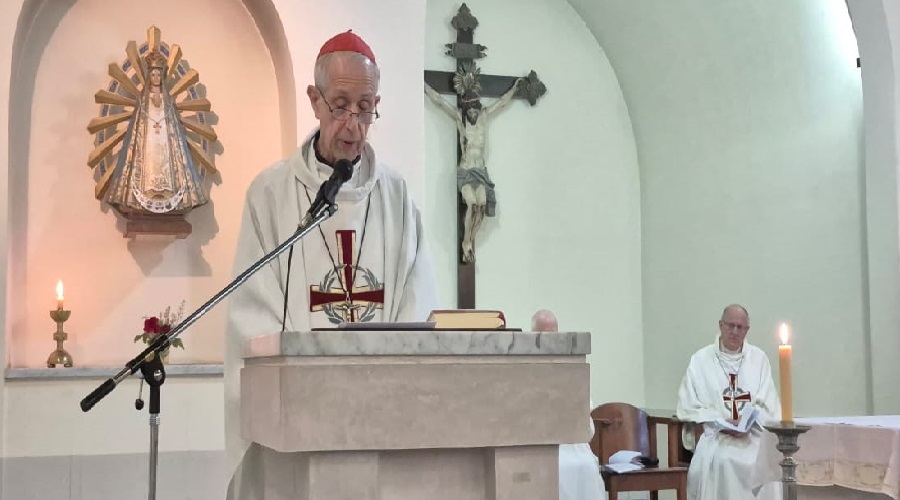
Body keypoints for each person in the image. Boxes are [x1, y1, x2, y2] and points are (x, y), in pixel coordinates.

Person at [224, 30, 439, 498]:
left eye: (366, 107)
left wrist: (388, 387)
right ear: (314, 101)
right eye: (340, 105)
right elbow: (252, 313)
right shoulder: (271, 194)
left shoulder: (396, 196)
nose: (353, 124)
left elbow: (416, 302)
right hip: (299, 425)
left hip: (380, 418)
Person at [676, 304, 783, 500]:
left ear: (747, 330)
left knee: (768, 464)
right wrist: (721, 421)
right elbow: (688, 406)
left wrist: (746, 422)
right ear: (720, 325)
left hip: (753, 436)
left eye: (740, 327)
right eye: (730, 325)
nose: (735, 331)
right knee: (724, 461)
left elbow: (768, 404)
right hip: (716, 437)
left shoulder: (758, 359)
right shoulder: (700, 360)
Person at [424, 68, 523, 263]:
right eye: (468, 111)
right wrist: (424, 85)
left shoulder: (484, 117)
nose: (472, 113)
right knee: (471, 204)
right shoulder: (461, 121)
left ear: (478, 108)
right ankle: (466, 244)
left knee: (481, 206)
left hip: (481, 172)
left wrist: (515, 89)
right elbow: (440, 102)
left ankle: (470, 239)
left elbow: (502, 103)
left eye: (474, 110)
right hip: (466, 170)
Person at [104, 49, 207, 215]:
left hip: (166, 143)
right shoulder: (143, 102)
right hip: (148, 144)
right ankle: (141, 195)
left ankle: (173, 194)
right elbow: (137, 132)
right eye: (153, 75)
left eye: (159, 75)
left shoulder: (168, 102)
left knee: (167, 159)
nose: (156, 78)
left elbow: (175, 133)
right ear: (148, 77)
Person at [529, 309, 607, 500]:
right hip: (541, 444)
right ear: (532, 336)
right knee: (559, 468)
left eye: (553, 334)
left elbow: (586, 423)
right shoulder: (526, 368)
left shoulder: (571, 368)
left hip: (573, 444)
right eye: (542, 334)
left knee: (587, 465)